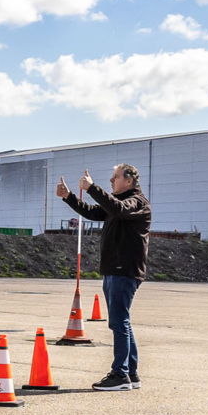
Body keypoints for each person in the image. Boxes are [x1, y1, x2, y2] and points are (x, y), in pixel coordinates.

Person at [58, 164, 152, 391]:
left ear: (129, 181)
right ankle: (131, 373)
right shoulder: (118, 204)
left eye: (115, 177)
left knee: (119, 322)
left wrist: (92, 188)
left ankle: (120, 375)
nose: (111, 181)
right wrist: (69, 196)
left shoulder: (137, 203)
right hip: (114, 270)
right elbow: (93, 212)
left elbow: (118, 208)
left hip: (124, 270)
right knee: (122, 322)